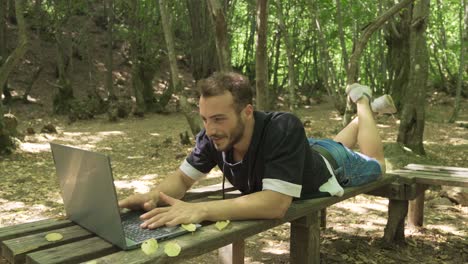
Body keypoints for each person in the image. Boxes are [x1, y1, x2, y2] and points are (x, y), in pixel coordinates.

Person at [118, 72, 396, 230]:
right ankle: (366, 114)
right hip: (299, 153)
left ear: (247, 112)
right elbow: (181, 179)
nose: (209, 128)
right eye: (204, 119)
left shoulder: (283, 127)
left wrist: (200, 209)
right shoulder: (213, 137)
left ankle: (362, 101)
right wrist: (153, 196)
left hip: (333, 166)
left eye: (218, 119)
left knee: (378, 164)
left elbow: (275, 205)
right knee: (331, 142)